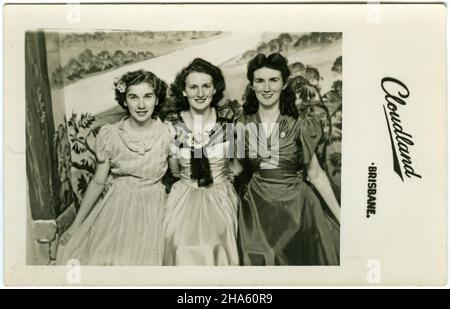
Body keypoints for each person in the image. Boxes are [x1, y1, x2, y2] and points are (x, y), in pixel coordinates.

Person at [56, 70, 170, 266]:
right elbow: (99, 181)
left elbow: (179, 172)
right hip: (118, 204)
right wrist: (76, 225)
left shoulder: (168, 133)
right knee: (104, 257)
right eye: (133, 97)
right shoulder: (111, 135)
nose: (141, 105)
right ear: (124, 101)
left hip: (154, 207)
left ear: (157, 99)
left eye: (148, 97)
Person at [237, 53, 340, 266]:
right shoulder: (241, 124)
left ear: (284, 84)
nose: (266, 88)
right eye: (260, 81)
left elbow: (316, 175)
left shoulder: (300, 125)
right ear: (252, 85)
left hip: (298, 210)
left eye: (273, 80)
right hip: (257, 212)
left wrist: (341, 218)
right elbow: (235, 169)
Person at [163, 58, 240, 266]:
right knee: (178, 242)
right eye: (193, 87)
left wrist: (227, 181)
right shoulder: (172, 123)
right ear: (183, 91)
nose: (200, 93)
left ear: (215, 89)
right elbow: (174, 170)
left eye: (206, 86)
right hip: (184, 195)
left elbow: (237, 164)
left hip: (221, 194)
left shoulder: (228, 119)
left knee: (216, 242)